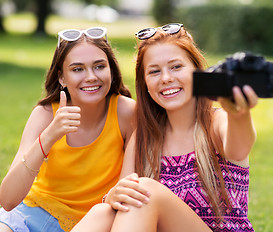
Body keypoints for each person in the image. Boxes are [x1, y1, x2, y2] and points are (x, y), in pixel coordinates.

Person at [71, 23, 258, 232]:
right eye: (154, 71)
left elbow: (239, 148)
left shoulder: (217, 122)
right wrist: (112, 196)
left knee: (146, 192)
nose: (166, 78)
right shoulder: (144, 138)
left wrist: (240, 114)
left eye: (176, 67)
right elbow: (123, 200)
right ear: (145, 83)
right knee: (103, 212)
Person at [0, 27, 136, 232]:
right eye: (77, 69)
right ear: (61, 78)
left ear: (111, 70)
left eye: (99, 66)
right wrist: (49, 136)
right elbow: (8, 200)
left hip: (94, 222)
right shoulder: (45, 114)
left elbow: (127, 189)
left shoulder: (127, 113)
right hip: (33, 213)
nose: (91, 77)